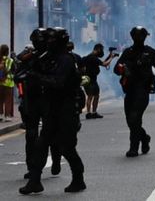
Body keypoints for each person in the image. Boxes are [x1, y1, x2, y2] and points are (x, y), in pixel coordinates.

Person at [20, 28, 86, 195]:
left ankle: (78, 178)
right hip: (52, 108)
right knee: (41, 144)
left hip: (66, 109)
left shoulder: (66, 60)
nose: (46, 44)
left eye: (50, 41)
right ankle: (35, 181)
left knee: (67, 148)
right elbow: (26, 70)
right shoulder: (48, 57)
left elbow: (58, 82)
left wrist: (36, 76)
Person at [113, 26, 155, 158]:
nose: (138, 39)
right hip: (130, 90)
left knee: (135, 118)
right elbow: (116, 69)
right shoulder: (127, 52)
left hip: (143, 89)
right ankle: (144, 138)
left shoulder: (150, 52)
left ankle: (134, 147)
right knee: (130, 121)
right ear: (132, 37)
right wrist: (124, 69)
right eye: (136, 36)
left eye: (141, 36)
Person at [81, 44, 117, 119]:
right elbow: (104, 64)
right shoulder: (92, 58)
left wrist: (109, 56)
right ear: (98, 49)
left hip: (90, 80)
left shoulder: (90, 57)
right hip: (90, 80)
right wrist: (112, 58)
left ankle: (93, 112)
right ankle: (89, 113)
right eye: (101, 50)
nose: (102, 52)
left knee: (96, 96)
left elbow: (101, 62)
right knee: (90, 96)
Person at [0, 44, 15, 122]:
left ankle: (0, 115)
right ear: (7, 51)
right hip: (8, 83)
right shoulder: (10, 60)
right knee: (8, 100)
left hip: (0, 83)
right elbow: (13, 71)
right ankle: (7, 116)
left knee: (0, 99)